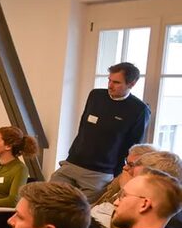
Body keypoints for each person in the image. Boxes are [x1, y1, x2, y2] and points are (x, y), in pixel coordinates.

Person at [51, 62, 150, 202]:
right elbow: (83, 128)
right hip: (72, 164)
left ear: (131, 84)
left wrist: (116, 175)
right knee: (47, 201)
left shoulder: (139, 110)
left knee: (77, 211)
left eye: (116, 82)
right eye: (109, 80)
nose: (110, 85)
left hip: (100, 174)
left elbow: (132, 148)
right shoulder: (96, 95)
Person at [81, 143, 160, 228]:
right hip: (91, 219)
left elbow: (123, 223)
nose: (125, 167)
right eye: (126, 162)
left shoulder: (145, 190)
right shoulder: (122, 178)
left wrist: (125, 188)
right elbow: (101, 201)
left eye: (131, 165)